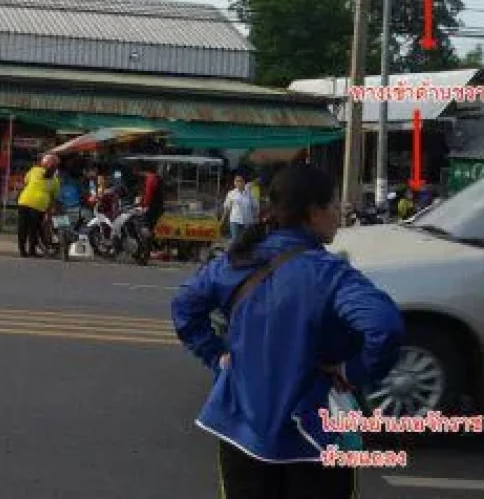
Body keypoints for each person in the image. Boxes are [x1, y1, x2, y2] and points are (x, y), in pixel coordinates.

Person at [171, 163, 404, 498]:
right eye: (335, 204)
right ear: (314, 212)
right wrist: (352, 371)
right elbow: (385, 326)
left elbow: (184, 306)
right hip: (314, 440)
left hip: (241, 437)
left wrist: (217, 356)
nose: (340, 213)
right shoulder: (330, 274)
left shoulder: (237, 261)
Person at [16, 154, 61, 257]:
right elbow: (55, 197)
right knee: (34, 229)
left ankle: (22, 251)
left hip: (24, 201)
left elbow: (26, 182)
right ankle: (32, 251)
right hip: (39, 206)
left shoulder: (34, 170)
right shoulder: (55, 180)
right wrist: (51, 210)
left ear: (43, 163)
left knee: (22, 228)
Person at [220, 174, 259, 246]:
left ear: (244, 182)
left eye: (240, 181)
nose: (238, 183)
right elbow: (227, 208)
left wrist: (255, 219)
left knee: (246, 241)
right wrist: (222, 221)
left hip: (247, 221)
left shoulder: (250, 194)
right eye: (236, 181)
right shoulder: (231, 193)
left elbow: (255, 207)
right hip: (235, 221)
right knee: (235, 241)